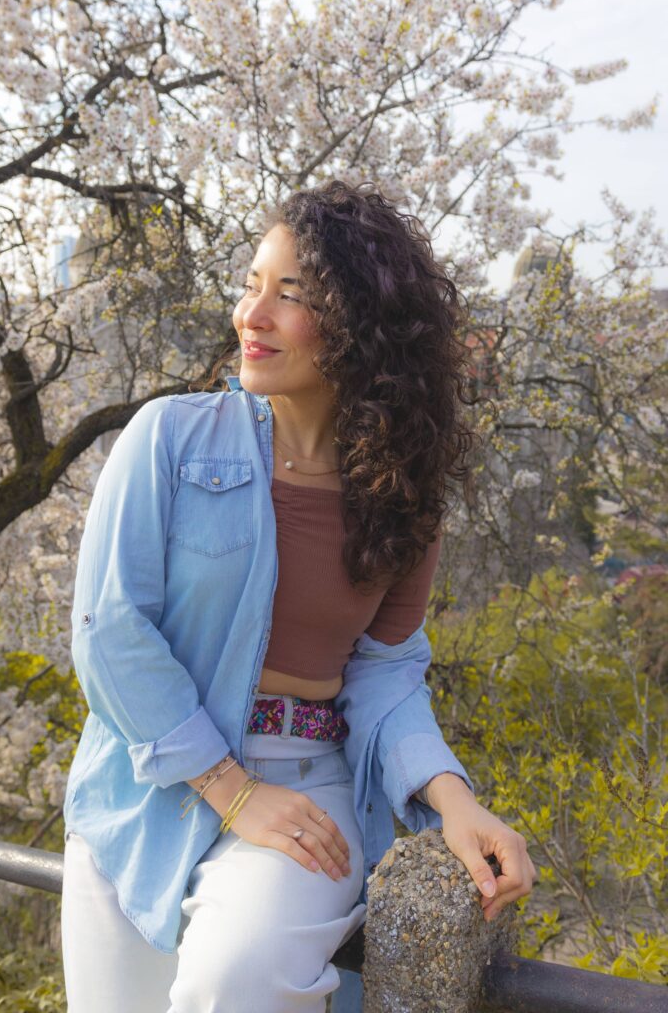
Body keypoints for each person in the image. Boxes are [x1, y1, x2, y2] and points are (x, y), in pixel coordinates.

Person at [61, 179, 536, 1013]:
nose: (254, 313)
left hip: (306, 789)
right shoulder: (168, 439)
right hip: (142, 786)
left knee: (235, 983)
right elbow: (109, 631)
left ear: (363, 328)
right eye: (251, 285)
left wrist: (455, 803)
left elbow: (387, 673)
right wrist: (228, 790)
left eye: (292, 295)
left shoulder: (403, 497)